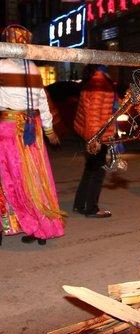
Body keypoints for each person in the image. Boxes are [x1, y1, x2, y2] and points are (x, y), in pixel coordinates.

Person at [0, 25, 65, 245]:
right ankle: (42, 227)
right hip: (33, 128)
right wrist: (49, 129)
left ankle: (30, 223)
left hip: (9, 129)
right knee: (37, 177)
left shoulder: (1, 66)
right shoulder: (34, 68)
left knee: (14, 179)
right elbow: (42, 102)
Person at [73, 64, 117, 218]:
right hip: (98, 134)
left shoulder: (95, 79)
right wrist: (95, 138)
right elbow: (93, 114)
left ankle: (79, 204)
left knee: (90, 169)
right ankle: (91, 208)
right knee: (97, 171)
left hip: (94, 133)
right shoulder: (100, 82)